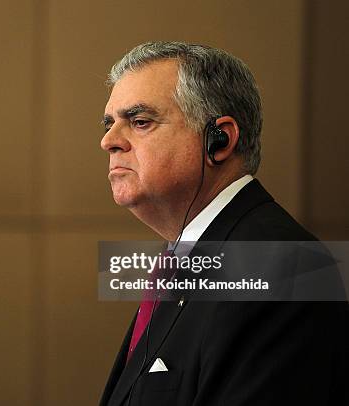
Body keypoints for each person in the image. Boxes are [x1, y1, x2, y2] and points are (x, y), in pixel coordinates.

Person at [99, 42, 348, 405]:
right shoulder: (186, 263)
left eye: (140, 122)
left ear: (220, 140)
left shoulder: (284, 268)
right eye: (109, 124)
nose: (109, 141)